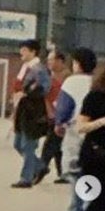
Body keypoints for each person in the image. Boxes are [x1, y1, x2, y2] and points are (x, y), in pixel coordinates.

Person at [66, 67, 105, 211]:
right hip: (95, 153)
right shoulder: (95, 97)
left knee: (103, 201)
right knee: (101, 199)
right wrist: (102, 122)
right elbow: (81, 126)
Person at [55, 47, 97, 211]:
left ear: (77, 64)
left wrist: (59, 123)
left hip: (77, 130)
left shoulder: (72, 81)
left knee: (74, 173)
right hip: (97, 132)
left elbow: (65, 107)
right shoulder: (98, 82)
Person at [11, 39, 51, 188]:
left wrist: (27, 93)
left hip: (33, 110)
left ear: (33, 52)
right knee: (18, 143)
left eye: (25, 49)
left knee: (28, 145)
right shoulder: (25, 67)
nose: (21, 52)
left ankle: (26, 178)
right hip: (22, 108)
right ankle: (40, 166)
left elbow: (44, 88)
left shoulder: (40, 69)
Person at [35, 49, 70, 184]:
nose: (49, 62)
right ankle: (63, 172)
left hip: (63, 115)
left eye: (52, 59)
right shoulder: (48, 76)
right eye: (48, 60)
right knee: (57, 144)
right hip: (51, 114)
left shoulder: (68, 78)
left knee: (51, 143)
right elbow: (45, 96)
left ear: (60, 61)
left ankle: (42, 167)